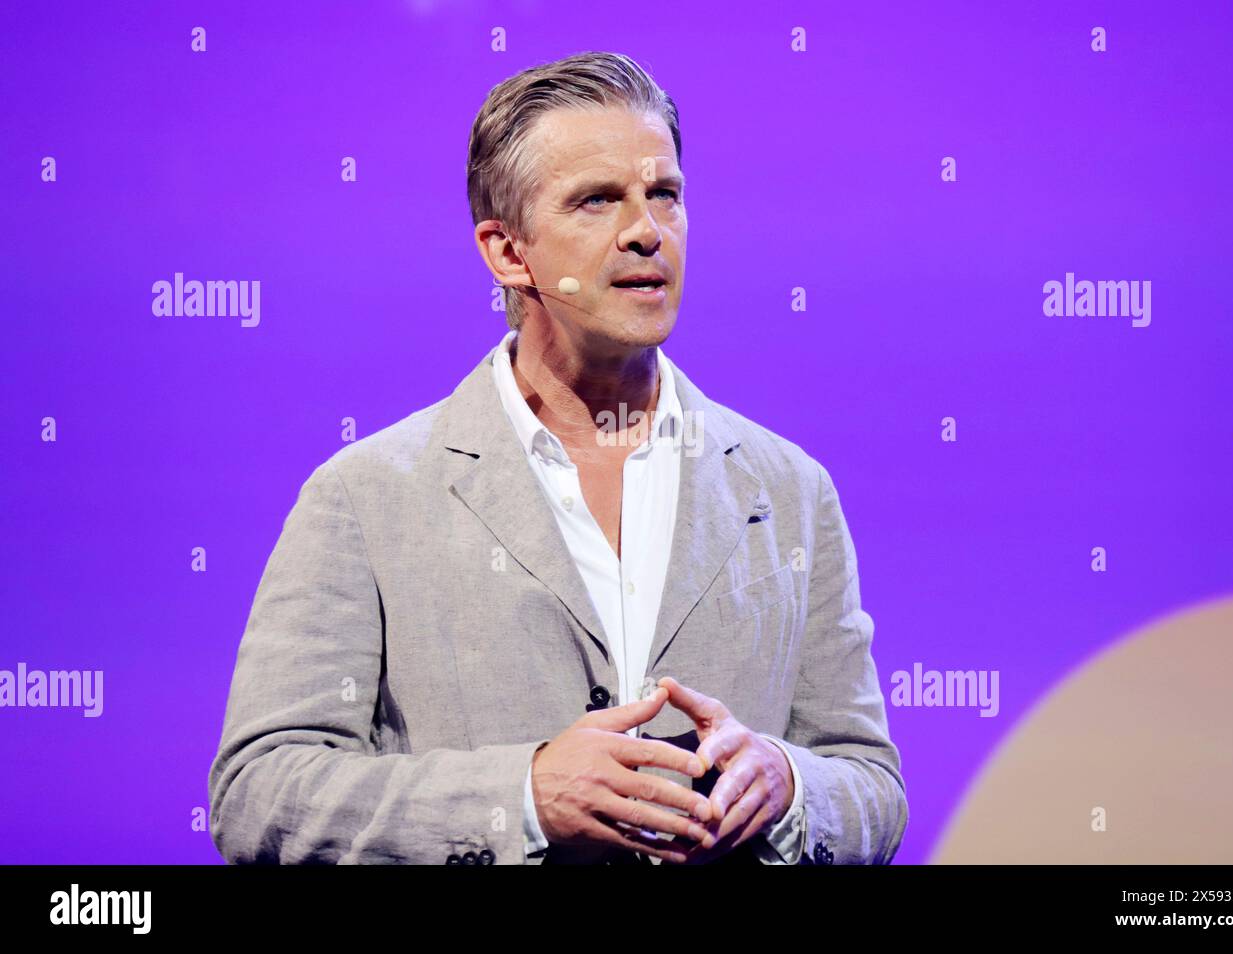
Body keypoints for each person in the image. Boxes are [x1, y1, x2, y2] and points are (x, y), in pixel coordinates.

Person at [207, 50, 906, 865]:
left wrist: (790, 784)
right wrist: (523, 798)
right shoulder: (365, 498)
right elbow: (260, 793)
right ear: (508, 253)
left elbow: (871, 785)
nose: (646, 230)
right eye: (598, 200)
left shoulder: (790, 490)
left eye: (665, 195)